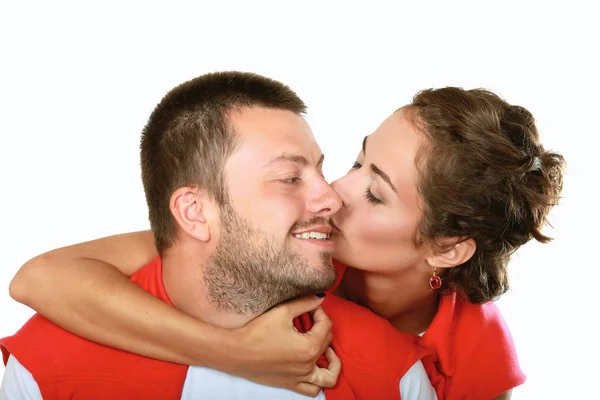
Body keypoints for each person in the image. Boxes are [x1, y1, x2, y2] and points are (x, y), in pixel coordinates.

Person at [7, 84, 565, 399]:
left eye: (375, 194)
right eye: (355, 160)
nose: (334, 193)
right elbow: (38, 279)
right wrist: (236, 354)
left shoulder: (474, 351)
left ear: (445, 249)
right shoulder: (286, 249)